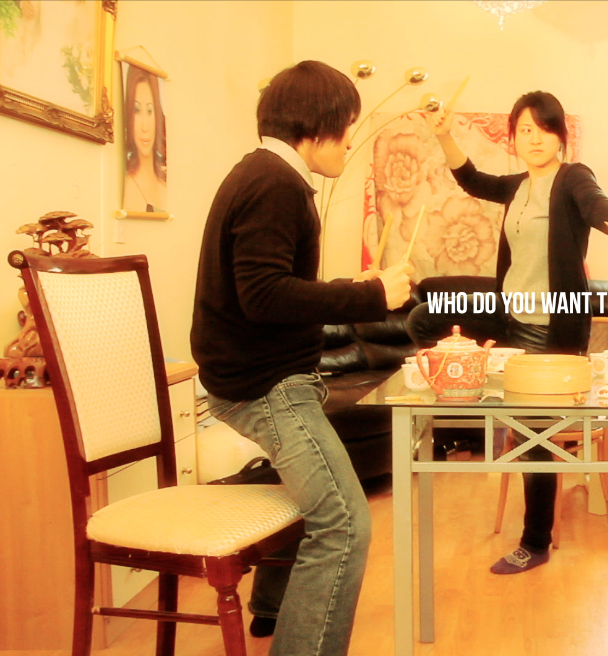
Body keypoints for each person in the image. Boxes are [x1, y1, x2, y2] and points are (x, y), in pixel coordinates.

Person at [191, 60, 413, 656]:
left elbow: (267, 287)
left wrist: (350, 286)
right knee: (346, 525)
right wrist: (371, 295)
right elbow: (264, 297)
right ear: (317, 125)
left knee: (318, 501)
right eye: (347, 127)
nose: (350, 141)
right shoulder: (274, 184)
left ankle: (272, 607)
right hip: (267, 385)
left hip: (261, 377)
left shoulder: (262, 174)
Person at [421, 91, 608, 574]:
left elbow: (596, 204)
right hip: (509, 316)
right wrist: (444, 134)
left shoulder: (572, 178)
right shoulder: (517, 186)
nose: (534, 138)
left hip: (553, 325)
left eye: (544, 129)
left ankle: (535, 542)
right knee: (425, 317)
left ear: (560, 135)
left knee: (535, 436)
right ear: (514, 138)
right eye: (524, 130)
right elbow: (471, 179)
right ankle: (458, 390)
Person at [121, 65, 168, 213]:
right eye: (136, 110)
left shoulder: (166, 181)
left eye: (149, 110)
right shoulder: (129, 186)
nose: (144, 127)